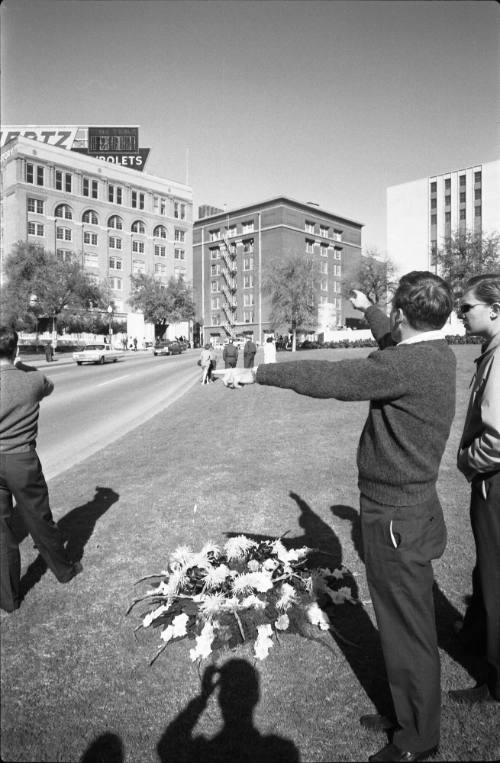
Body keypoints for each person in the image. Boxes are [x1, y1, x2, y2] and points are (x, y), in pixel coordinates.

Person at [256, 272, 456, 763]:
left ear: (407, 316)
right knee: (402, 622)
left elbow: (336, 378)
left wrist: (261, 373)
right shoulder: (437, 354)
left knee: (406, 630)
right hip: (411, 509)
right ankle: (408, 716)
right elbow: (394, 343)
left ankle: (417, 738)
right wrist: (371, 310)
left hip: (394, 517)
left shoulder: (405, 366)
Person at [0, 326, 82, 613]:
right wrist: (18, 365)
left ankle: (9, 599)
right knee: (39, 519)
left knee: (1, 531)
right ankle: (64, 570)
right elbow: (48, 386)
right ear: (16, 351)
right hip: (21, 459)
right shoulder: (33, 379)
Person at [449, 273, 500, 705]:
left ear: (495, 310)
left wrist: (468, 462)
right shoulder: (492, 352)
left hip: (495, 482)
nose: (460, 313)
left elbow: (498, 436)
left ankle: (497, 679)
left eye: (466, 307)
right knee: (487, 569)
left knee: (496, 574)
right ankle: (477, 637)